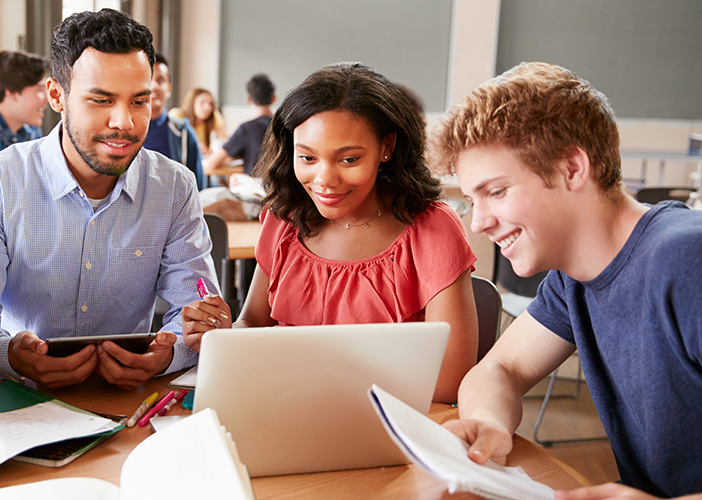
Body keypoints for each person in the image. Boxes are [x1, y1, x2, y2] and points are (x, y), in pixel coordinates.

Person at [433, 62, 702, 499]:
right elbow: (499, 370)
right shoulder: (571, 281)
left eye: (496, 192)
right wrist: (489, 425)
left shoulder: (687, 261)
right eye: (471, 200)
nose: (478, 222)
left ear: (573, 169)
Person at [0, 9, 218, 391]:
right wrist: (7, 354)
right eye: (102, 101)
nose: (124, 121)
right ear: (57, 96)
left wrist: (168, 355)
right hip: (14, 395)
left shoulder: (174, 187)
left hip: (126, 401)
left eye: (139, 102)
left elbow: (196, 312)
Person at [182, 63, 478, 404]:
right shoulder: (285, 217)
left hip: (391, 423)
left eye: (349, 160)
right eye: (307, 157)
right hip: (285, 411)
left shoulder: (432, 229)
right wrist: (222, 337)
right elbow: (253, 324)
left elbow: (449, 380)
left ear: (387, 146)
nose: (324, 180)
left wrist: (305, 375)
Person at [142, 53, 206, 189]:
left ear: (169, 89)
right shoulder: (125, 129)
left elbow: (198, 187)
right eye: (149, 79)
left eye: (160, 80)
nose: (154, 86)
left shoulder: (183, 133)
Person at [203, 73, 276, 177]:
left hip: (255, 190)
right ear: (274, 98)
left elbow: (212, 163)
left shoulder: (247, 129)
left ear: (248, 100)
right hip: (284, 190)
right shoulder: (286, 126)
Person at [170, 87, 227, 155]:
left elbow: (225, 143)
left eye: (210, 104)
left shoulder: (213, 116)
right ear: (192, 103)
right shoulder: (177, 115)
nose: (207, 108)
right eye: (202, 102)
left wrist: (209, 151)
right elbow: (171, 144)